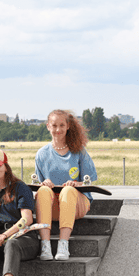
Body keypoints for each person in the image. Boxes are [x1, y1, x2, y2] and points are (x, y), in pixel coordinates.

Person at [34, 109, 97, 261]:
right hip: (53, 206)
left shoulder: (79, 151)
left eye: (62, 125)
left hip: (77, 205)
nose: (58, 129)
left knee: (68, 190)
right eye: (54, 125)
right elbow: (36, 185)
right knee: (42, 191)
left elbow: (90, 181)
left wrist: (76, 183)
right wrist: (44, 184)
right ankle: (45, 245)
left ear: (68, 126)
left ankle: (63, 244)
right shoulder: (41, 154)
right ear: (48, 126)